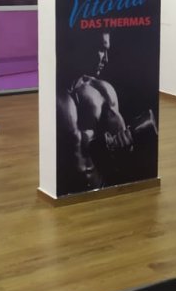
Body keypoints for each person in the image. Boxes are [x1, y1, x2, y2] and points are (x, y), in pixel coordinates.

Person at [56, 30, 135, 193]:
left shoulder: (103, 91)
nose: (106, 58)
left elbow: (123, 153)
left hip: (98, 188)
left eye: (107, 50)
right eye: (101, 49)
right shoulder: (52, 92)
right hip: (62, 190)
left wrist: (125, 145)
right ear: (84, 45)